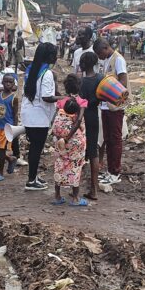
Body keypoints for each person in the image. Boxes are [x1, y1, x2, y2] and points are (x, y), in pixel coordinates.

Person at [21, 42, 60, 191]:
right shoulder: (47, 73)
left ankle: (33, 177)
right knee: (36, 149)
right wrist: (63, 98)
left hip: (29, 113)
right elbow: (46, 97)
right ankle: (31, 180)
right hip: (39, 116)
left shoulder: (32, 69)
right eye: (55, 54)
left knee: (34, 148)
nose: (56, 57)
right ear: (50, 56)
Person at [94, 37, 129, 183]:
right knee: (108, 139)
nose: (98, 57)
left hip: (115, 105)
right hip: (106, 106)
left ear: (105, 48)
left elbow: (123, 81)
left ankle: (115, 172)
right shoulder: (107, 60)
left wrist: (112, 95)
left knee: (115, 139)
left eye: (98, 53)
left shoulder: (118, 59)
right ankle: (110, 170)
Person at [51, 76, 87, 207]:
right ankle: (75, 198)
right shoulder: (81, 102)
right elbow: (78, 121)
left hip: (60, 140)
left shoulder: (61, 101)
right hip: (75, 140)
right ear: (79, 86)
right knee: (76, 166)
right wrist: (68, 137)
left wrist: (61, 137)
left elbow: (55, 119)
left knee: (59, 164)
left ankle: (57, 196)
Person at [78, 51, 102, 200]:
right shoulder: (100, 78)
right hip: (94, 116)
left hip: (81, 118)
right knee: (94, 152)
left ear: (83, 64)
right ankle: (94, 188)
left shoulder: (81, 82)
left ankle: (75, 186)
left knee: (79, 150)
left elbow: (79, 101)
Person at [0, 73, 19, 182]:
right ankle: (10, 159)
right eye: (6, 82)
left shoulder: (14, 98)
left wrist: (14, 131)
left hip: (7, 128)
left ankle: (0, 172)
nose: (8, 84)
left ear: (13, 84)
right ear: (2, 83)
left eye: (10, 82)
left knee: (2, 150)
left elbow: (15, 115)